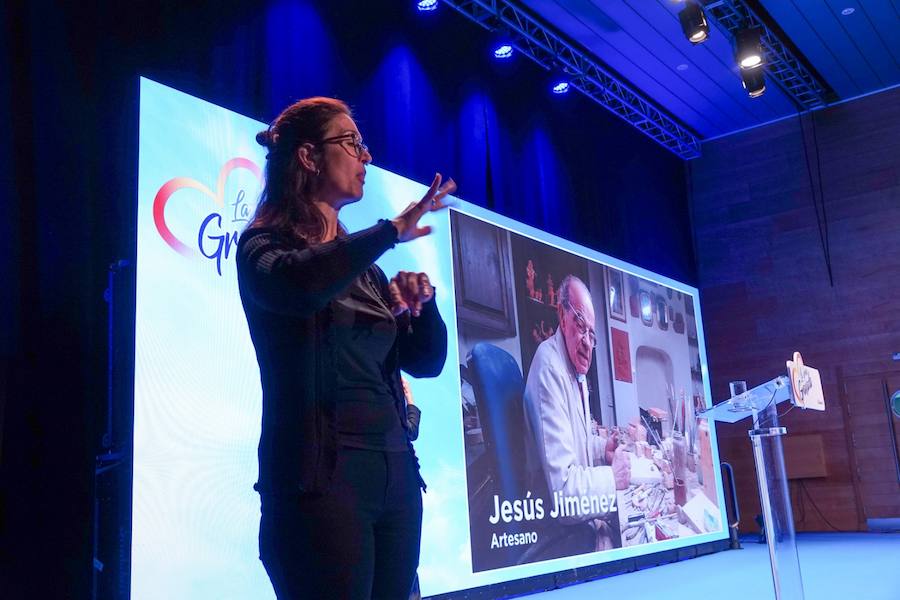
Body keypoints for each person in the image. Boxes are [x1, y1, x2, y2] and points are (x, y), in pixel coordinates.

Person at [236, 97, 454, 600]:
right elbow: (300, 284)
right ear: (309, 157)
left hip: (395, 477)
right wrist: (391, 231)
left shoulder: (368, 270)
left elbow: (425, 363)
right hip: (321, 486)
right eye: (351, 143)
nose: (366, 157)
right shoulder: (264, 246)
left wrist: (425, 307)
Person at [523, 275, 630, 556]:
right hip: (558, 530)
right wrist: (613, 478)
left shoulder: (573, 371)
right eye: (581, 326)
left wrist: (600, 447)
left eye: (592, 335)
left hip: (575, 523)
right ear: (562, 315)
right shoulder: (550, 368)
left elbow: (572, 443)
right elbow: (564, 495)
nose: (587, 343)